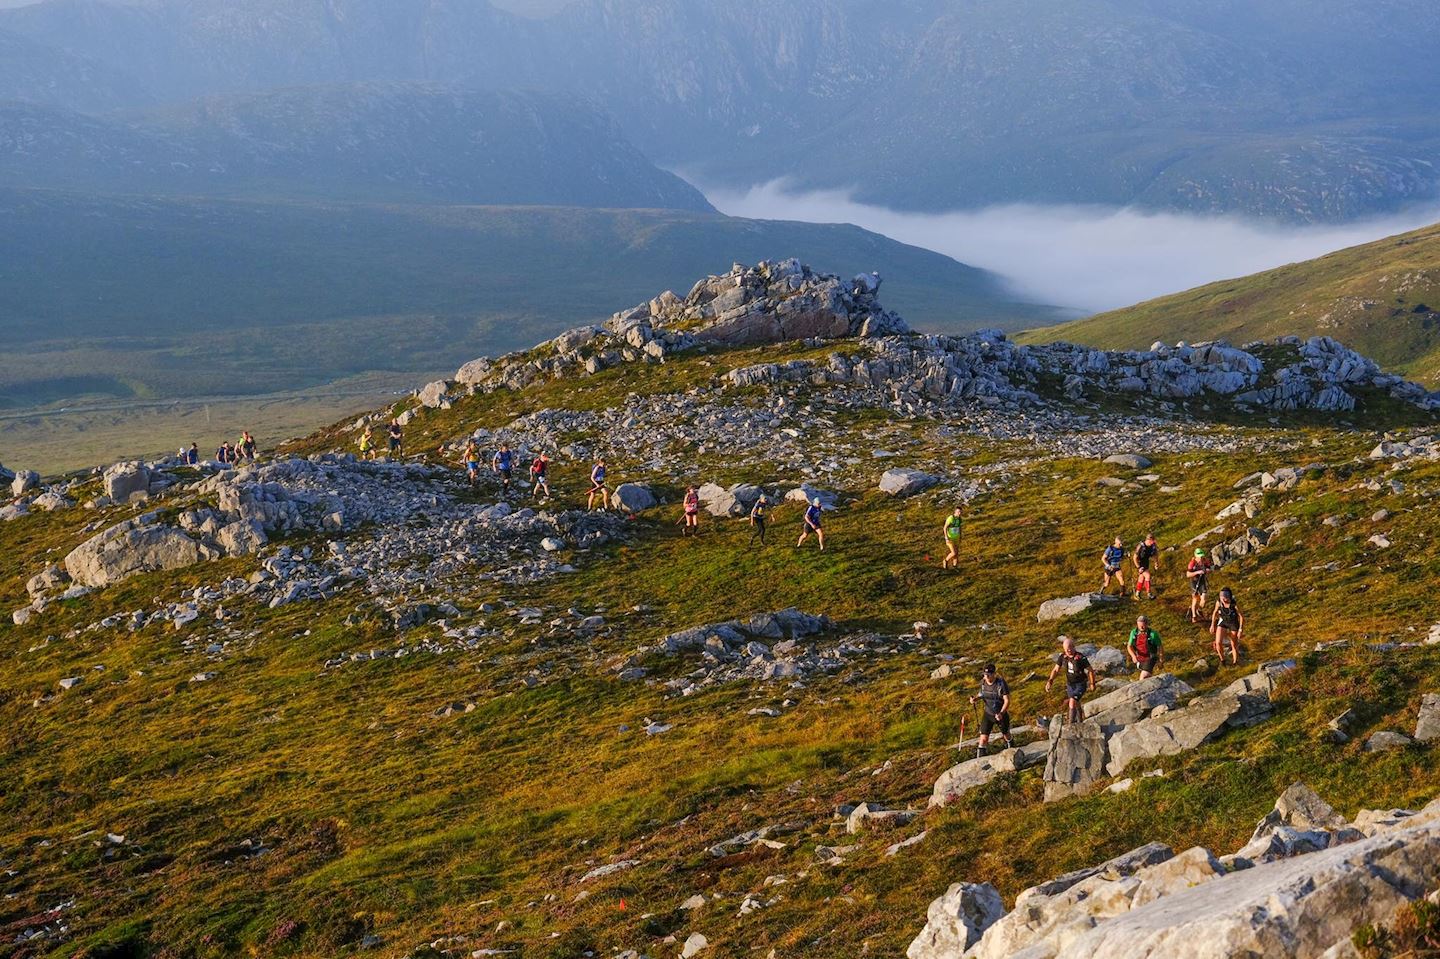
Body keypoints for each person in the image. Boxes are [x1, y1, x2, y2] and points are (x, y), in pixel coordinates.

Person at [1046, 635, 1096, 725]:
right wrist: (1050, 681)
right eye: (1066, 649)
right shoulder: (1063, 656)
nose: (1068, 651)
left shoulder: (1080, 658)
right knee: (1076, 703)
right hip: (1070, 685)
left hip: (1080, 684)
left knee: (1072, 701)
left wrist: (1092, 683)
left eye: (1069, 649)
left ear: (1073, 647)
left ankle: (1070, 725)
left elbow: (1090, 670)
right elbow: (1056, 669)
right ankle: (1080, 721)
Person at [969, 663, 1014, 752]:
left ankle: (1011, 747)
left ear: (994, 674)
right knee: (983, 739)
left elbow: (1007, 700)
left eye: (988, 675)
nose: (986, 677)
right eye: (985, 675)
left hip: (1000, 714)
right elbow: (981, 693)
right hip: (988, 714)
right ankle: (980, 761)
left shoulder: (1001, 684)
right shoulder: (983, 682)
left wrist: (1001, 713)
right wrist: (975, 699)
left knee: (1006, 735)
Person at [1210, 587, 1245, 665]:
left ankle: (1235, 662)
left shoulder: (1234, 604)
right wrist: (1212, 625)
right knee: (1218, 642)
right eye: (1221, 596)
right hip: (1223, 621)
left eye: (1224, 596)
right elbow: (1215, 612)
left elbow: (1241, 616)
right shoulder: (1219, 602)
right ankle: (1223, 660)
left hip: (1233, 622)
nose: (1222, 598)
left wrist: (1240, 630)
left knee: (1233, 643)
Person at [1127, 615, 1164, 679]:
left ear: (1147, 624)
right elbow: (1129, 646)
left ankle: (1140, 688)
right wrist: (1133, 656)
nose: (1141, 627)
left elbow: (1160, 647)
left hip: (1151, 658)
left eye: (1143, 625)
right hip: (1140, 659)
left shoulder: (1153, 634)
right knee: (1148, 677)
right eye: (1139, 626)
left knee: (1143, 676)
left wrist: (1161, 660)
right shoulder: (1134, 633)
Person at [1186, 548, 1213, 623]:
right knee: (1195, 599)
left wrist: (1207, 571)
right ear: (1196, 556)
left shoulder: (1205, 561)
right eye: (1199, 557)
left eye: (1202, 556)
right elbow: (1188, 574)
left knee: (1203, 598)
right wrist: (1197, 572)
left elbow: (1209, 568)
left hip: (1202, 581)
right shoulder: (1192, 563)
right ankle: (1194, 616)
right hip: (1194, 582)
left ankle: (1199, 610)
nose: (1201, 558)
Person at [1133, 533, 1159, 600]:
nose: (1152, 543)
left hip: (1146, 562)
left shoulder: (1153, 546)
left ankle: (1137, 594)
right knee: (1147, 576)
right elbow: (1134, 557)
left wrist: (1156, 563)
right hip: (1139, 562)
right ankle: (1149, 593)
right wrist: (1138, 567)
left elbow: (1155, 554)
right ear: (1148, 540)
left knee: (1141, 578)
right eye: (1151, 541)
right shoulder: (1140, 546)